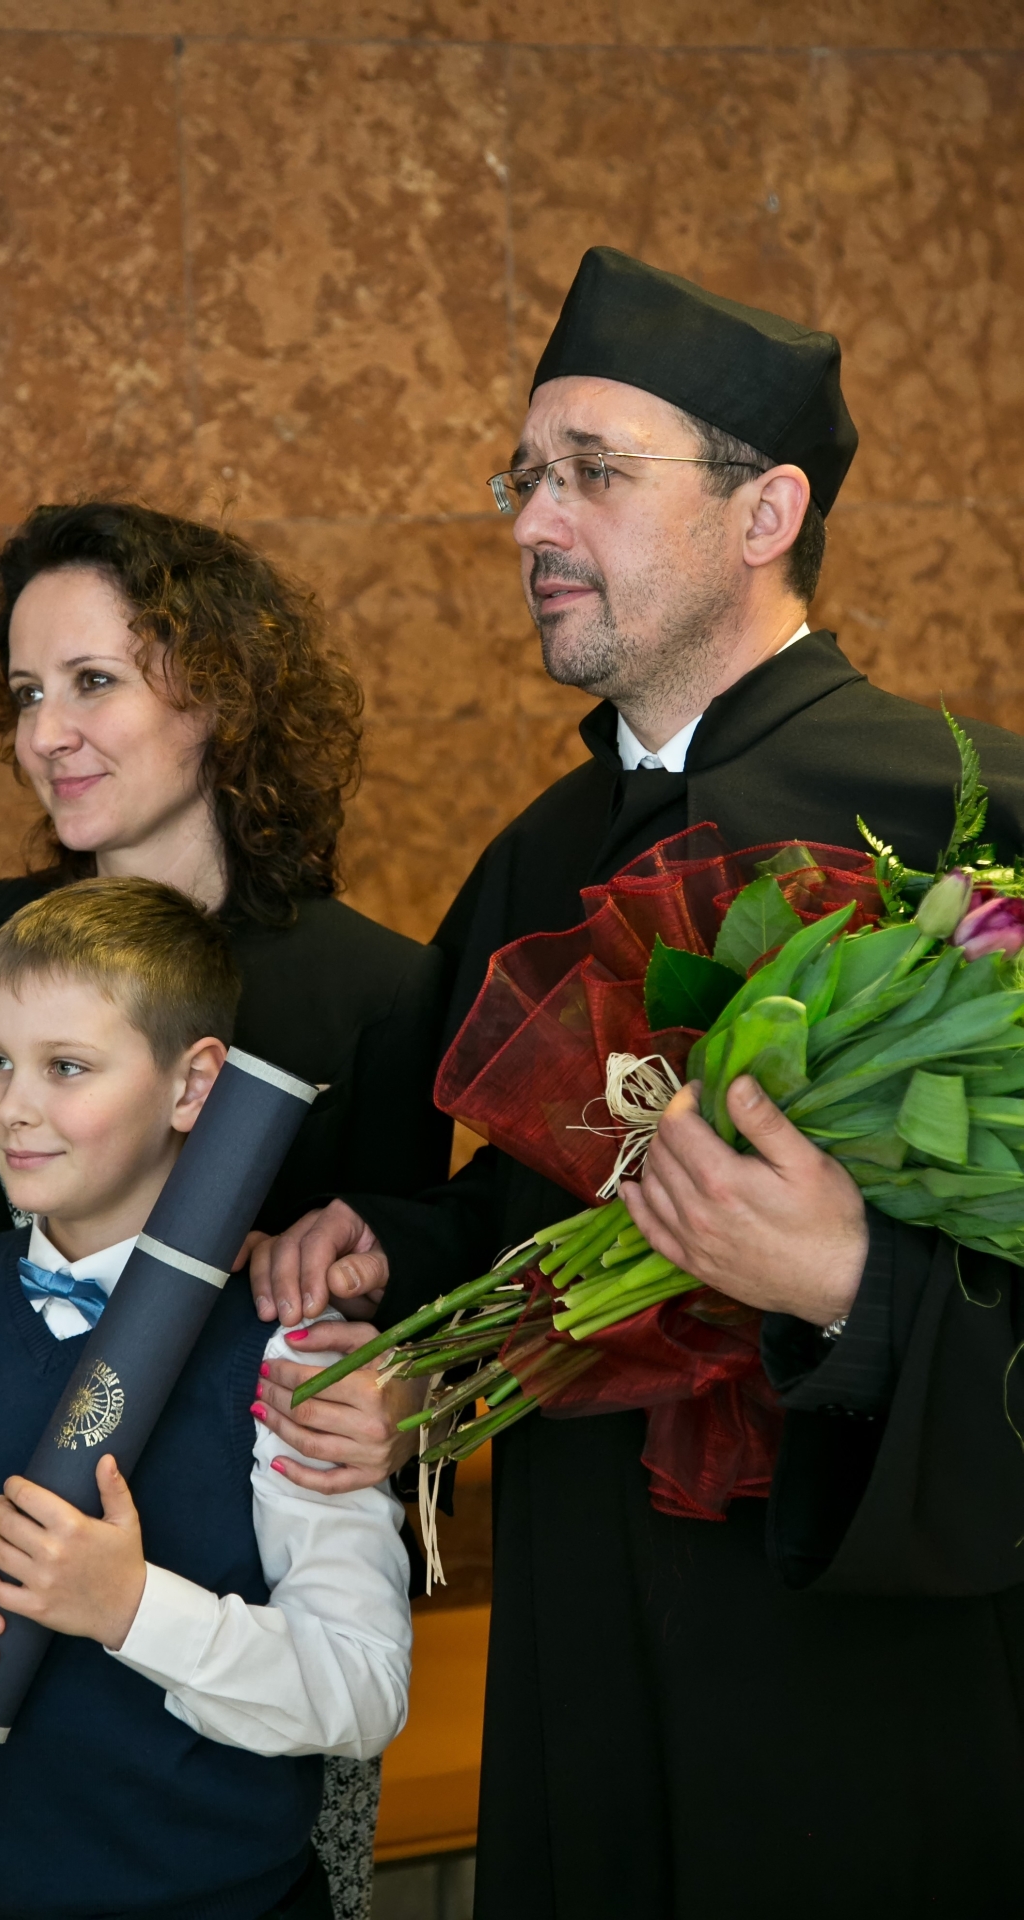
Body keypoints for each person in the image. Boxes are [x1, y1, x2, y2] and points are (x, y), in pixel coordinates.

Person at [245, 250, 1024, 1917]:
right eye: (525, 476)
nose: (532, 521)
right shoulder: (537, 856)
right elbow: (521, 1211)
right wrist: (401, 1261)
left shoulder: (969, 823)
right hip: (584, 1657)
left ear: (766, 513)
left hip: (862, 1692)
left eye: (592, 472)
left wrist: (854, 1284)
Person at [0, 501, 447, 1920]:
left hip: (233, 1691)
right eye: (25, 693)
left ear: (220, 691)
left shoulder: (375, 992)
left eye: (94, 681)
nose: (47, 732)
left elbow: (406, 1335)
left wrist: (405, 1394)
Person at [0, 877, 412, 1920]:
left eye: (67, 1067)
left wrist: (129, 1608)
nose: (12, 1106)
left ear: (193, 1085)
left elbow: (361, 1689)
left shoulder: (289, 1346)